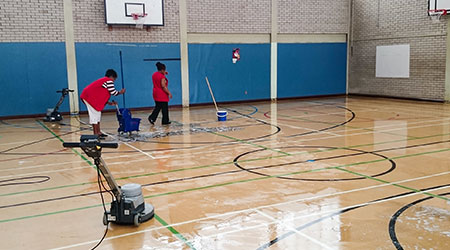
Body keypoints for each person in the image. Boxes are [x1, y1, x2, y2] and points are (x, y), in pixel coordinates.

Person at [80, 69, 125, 138]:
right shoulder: (108, 81)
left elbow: (99, 93)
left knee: (97, 115)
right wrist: (120, 92)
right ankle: (96, 134)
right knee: (94, 116)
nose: (114, 81)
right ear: (112, 77)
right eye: (114, 79)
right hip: (89, 98)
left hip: (89, 97)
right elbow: (113, 92)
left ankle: (98, 132)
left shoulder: (103, 81)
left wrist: (108, 102)